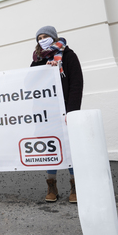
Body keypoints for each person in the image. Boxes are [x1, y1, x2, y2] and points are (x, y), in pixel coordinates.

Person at [30, 26, 83, 203]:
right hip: (46, 113)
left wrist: (72, 111)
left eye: (45, 37)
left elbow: (77, 83)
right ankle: (51, 185)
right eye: (39, 38)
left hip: (66, 111)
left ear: (54, 38)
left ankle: (75, 185)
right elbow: (28, 82)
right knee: (50, 148)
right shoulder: (37, 59)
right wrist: (43, 70)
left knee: (70, 148)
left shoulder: (68, 56)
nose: (42, 40)